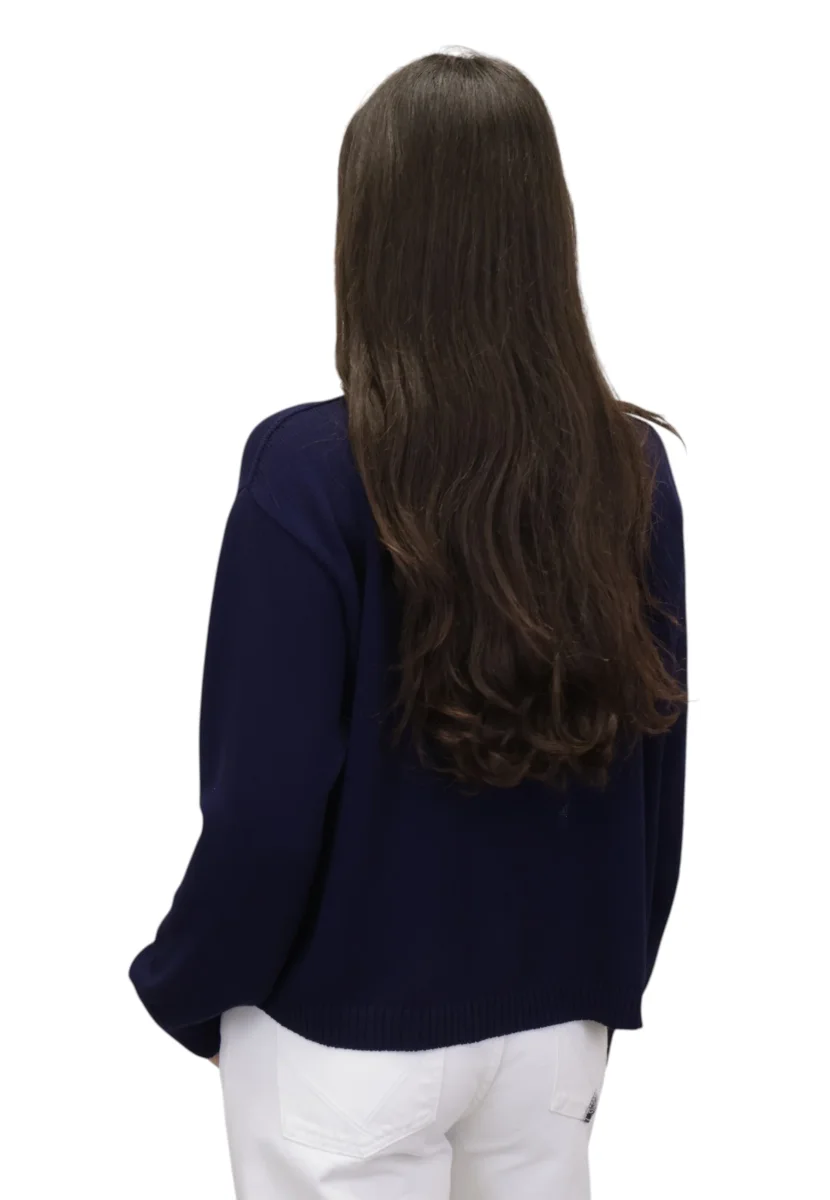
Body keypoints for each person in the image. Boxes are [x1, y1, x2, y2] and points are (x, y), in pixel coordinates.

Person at [129, 47, 688, 1200]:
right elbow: (655, 772)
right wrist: (602, 983)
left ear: (369, 233)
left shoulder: (307, 470)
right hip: (553, 1031)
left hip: (343, 1040)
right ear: (542, 230)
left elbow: (266, 804)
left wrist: (187, 982)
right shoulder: (626, 466)